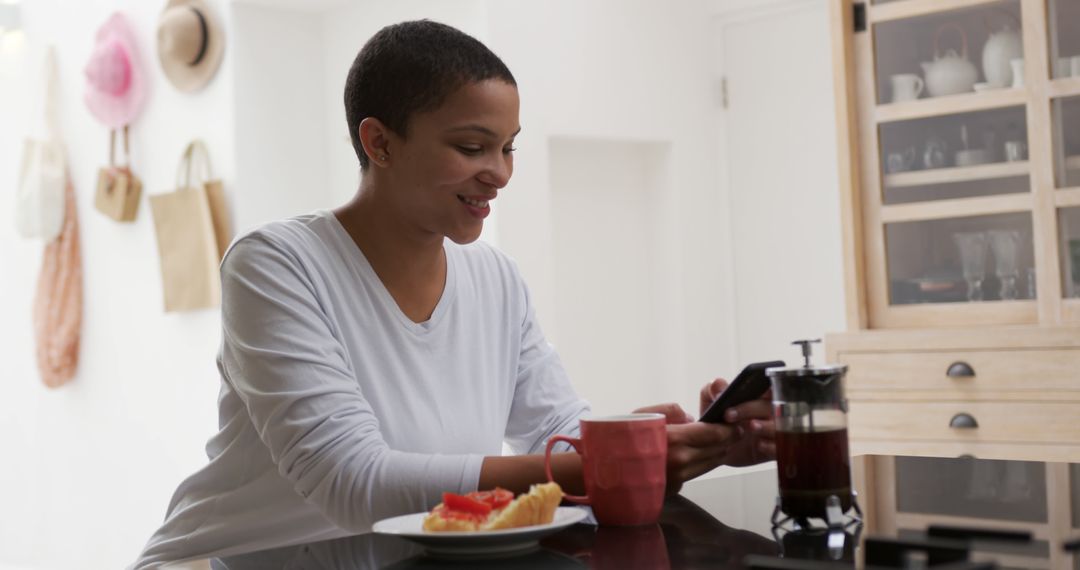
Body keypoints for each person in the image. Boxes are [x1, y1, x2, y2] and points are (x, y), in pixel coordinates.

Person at [132, 19, 775, 569]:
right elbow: (353, 484)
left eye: (507, 148)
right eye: (472, 147)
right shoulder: (274, 265)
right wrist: (610, 460)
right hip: (235, 558)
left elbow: (554, 436)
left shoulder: (495, 280)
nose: (498, 173)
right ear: (379, 141)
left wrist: (682, 445)